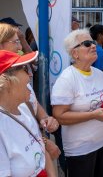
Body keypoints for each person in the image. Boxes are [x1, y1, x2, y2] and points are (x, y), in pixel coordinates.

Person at [51, 29, 103, 177]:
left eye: (92, 42)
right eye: (87, 43)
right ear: (75, 54)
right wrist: (93, 115)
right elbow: (59, 116)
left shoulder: (98, 74)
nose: (93, 46)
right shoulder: (67, 78)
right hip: (81, 149)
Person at [0, 23, 60, 160]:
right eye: (16, 41)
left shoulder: (17, 74)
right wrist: (43, 143)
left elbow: (31, 102)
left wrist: (45, 118)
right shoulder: (9, 82)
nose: (20, 47)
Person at [0, 50, 56, 177]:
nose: (30, 74)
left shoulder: (25, 108)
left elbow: (42, 151)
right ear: (7, 81)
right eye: (24, 69)